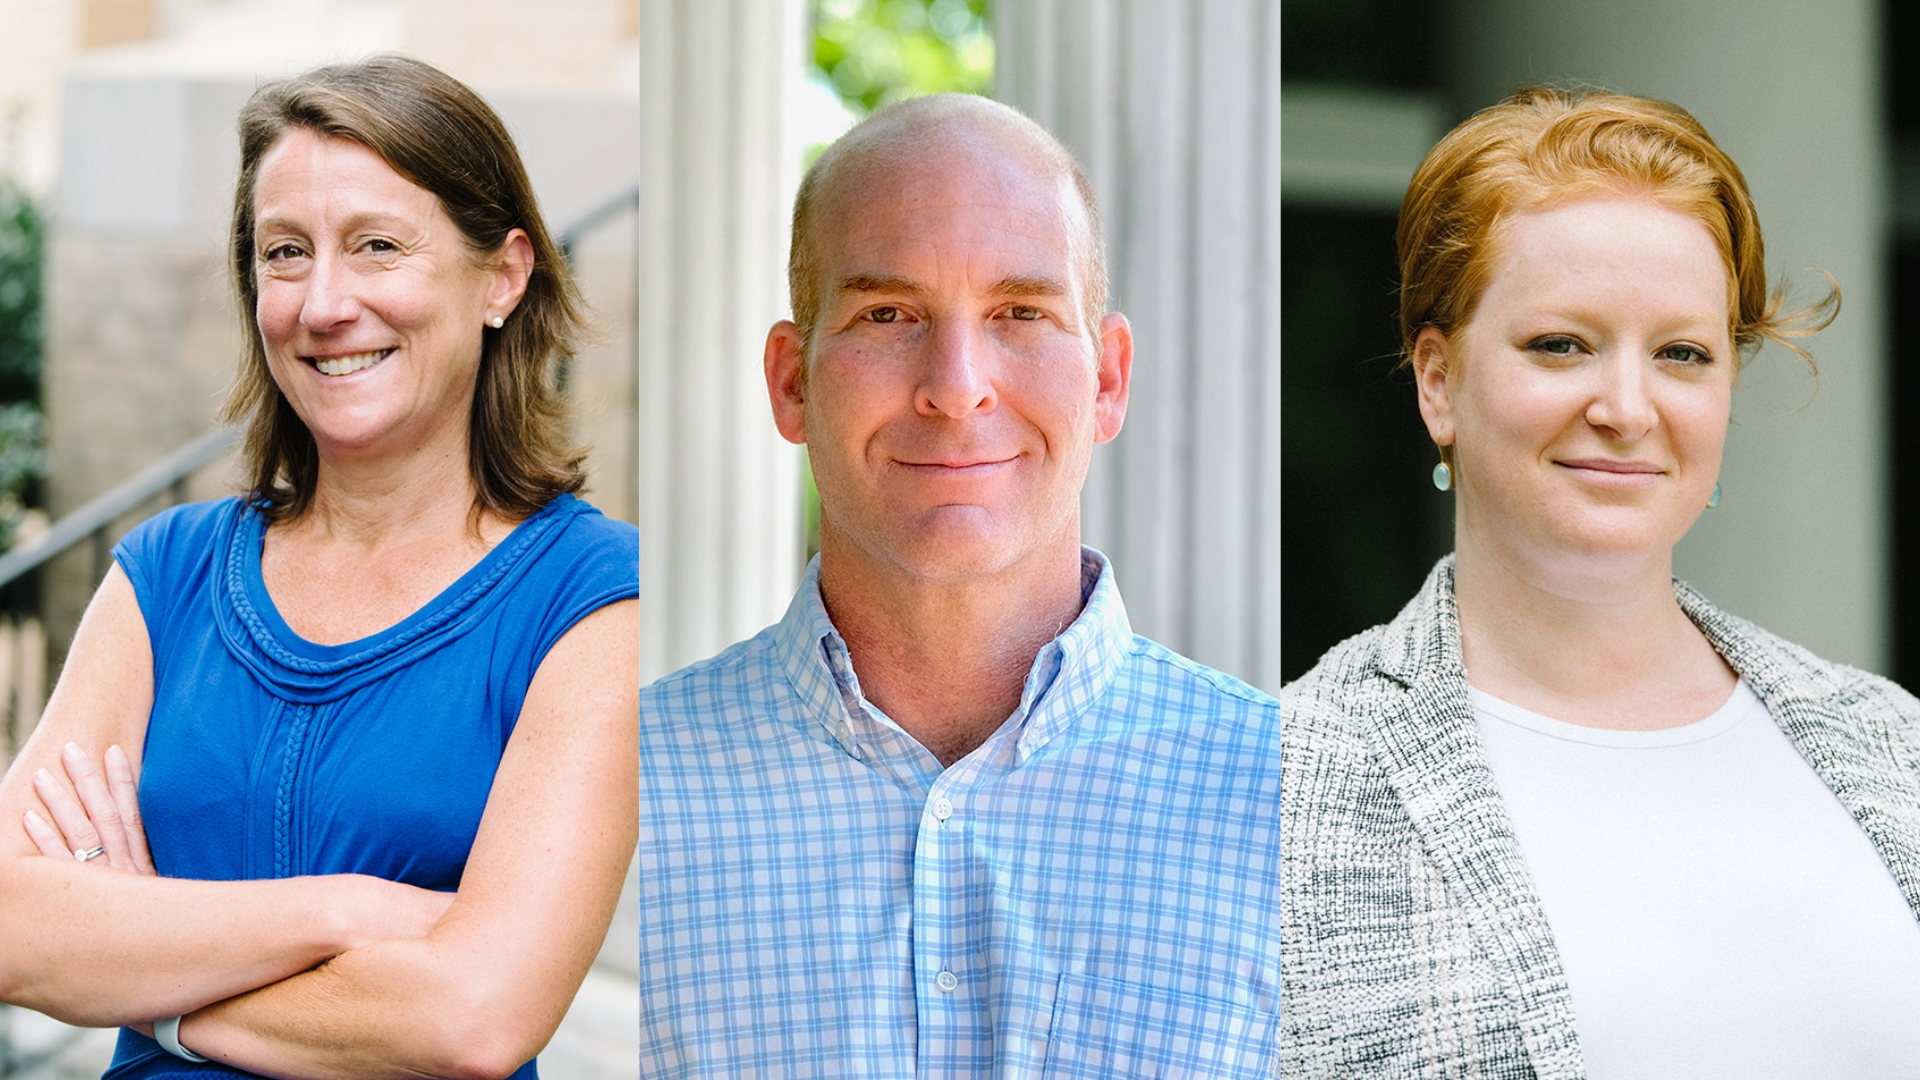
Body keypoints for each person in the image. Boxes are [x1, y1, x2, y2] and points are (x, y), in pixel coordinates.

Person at [0, 55, 638, 1079]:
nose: (324, 303)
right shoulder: (168, 574)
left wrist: (148, 971)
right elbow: (11, 926)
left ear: (503, 276)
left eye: (378, 246)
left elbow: (473, 1019)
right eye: (285, 253)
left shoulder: (592, 601)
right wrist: (346, 913)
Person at [632, 93, 1279, 1076]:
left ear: (1107, 379)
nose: (957, 382)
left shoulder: (1294, 811)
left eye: (1020, 313)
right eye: (887, 314)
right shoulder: (625, 795)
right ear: (791, 382)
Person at [1282, 85, 1920, 1077]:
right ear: (1437, 380)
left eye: (1681, 354)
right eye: (1560, 345)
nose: (1628, 407)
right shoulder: (1285, 781)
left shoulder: (1891, 742)